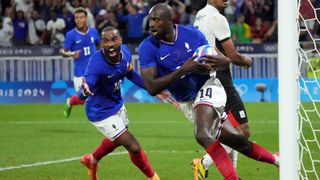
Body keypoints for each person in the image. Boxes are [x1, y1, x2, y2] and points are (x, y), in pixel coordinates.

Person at [139, 3, 279, 180]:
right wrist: (184, 69)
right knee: (239, 141)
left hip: (208, 86)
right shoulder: (147, 47)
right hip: (186, 101)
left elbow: (224, 60)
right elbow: (152, 87)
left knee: (202, 134)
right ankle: (278, 161)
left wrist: (214, 62)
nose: (151, 24)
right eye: (150, 19)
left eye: (156, 20)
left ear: (169, 20)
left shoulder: (191, 33)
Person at [80, 26, 177, 180]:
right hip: (100, 112)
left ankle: (91, 160)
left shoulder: (125, 53)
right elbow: (87, 84)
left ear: (120, 40)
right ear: (101, 44)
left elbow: (131, 73)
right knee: (134, 146)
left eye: (113, 40)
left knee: (117, 139)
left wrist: (153, 89)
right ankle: (153, 178)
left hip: (117, 105)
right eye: (105, 41)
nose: (110, 44)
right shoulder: (96, 62)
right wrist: (85, 90)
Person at [61, 7, 100, 118]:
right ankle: (70, 102)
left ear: (86, 18)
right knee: (82, 100)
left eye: (81, 17)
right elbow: (63, 52)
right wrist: (71, 54)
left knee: (96, 100)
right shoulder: (71, 35)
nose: (78, 20)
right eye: (76, 18)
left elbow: (99, 44)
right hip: (80, 74)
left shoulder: (93, 32)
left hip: (94, 72)